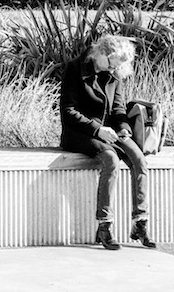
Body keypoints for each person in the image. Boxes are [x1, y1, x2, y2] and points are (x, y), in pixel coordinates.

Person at [59, 34, 155, 251]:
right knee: (111, 161)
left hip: (111, 132)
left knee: (139, 160)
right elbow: (68, 111)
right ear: (102, 53)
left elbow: (119, 109)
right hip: (82, 133)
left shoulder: (115, 73)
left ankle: (140, 223)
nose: (113, 70)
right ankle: (105, 226)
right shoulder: (75, 69)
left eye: (118, 66)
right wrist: (98, 130)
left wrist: (124, 129)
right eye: (112, 64)